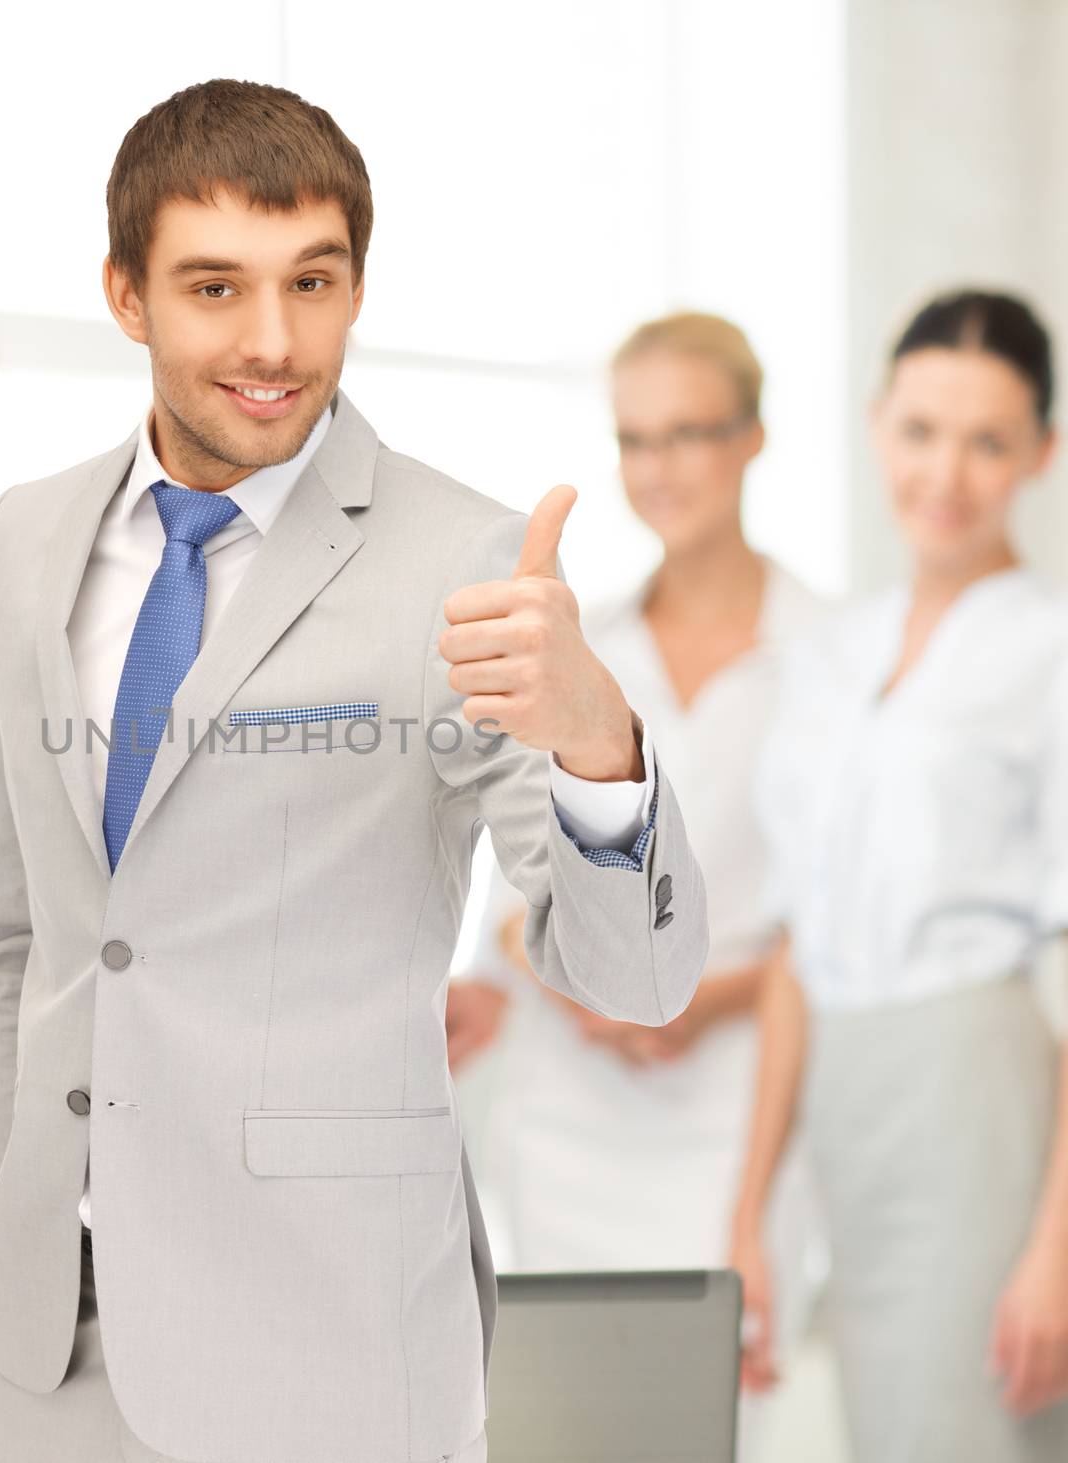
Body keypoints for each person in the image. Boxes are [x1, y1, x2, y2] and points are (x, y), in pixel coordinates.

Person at [0, 79, 709, 1463]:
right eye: (215, 287)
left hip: (330, 1324)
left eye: (313, 280)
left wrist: (599, 732)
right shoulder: (25, 536)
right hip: (53, 1330)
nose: (275, 340)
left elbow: (635, 978)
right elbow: (11, 931)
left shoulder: (464, 560)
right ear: (126, 296)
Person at [448, 312, 821, 1457]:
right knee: (573, 1419)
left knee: (722, 1412)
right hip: (571, 1108)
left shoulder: (828, 651)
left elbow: (824, 919)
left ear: (752, 436)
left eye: (691, 432)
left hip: (733, 1110)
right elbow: (515, 898)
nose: (660, 469)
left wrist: (688, 993)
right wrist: (570, 985)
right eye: (636, 438)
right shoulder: (580, 639)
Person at [735, 289, 1068, 1460]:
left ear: (1041, 451)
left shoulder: (1047, 650)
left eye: (988, 441)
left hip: (979, 1101)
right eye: (921, 431)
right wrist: (750, 1217)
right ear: (877, 425)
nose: (947, 472)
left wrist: (1057, 1247)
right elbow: (793, 949)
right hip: (842, 1104)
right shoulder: (830, 653)